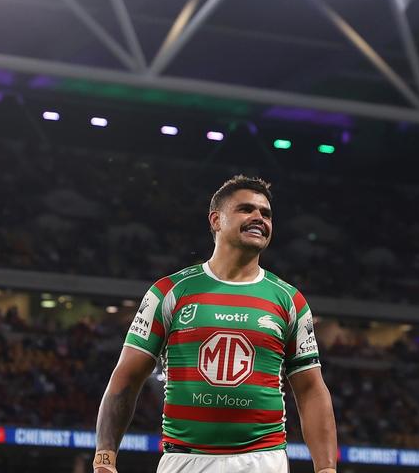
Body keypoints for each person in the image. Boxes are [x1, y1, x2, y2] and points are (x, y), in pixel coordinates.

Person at [92, 175, 337, 473]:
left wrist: (326, 469)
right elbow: (127, 378)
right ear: (216, 220)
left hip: (261, 461)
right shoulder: (169, 291)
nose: (259, 217)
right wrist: (104, 458)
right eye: (246, 209)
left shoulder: (289, 300)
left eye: (266, 213)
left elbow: (311, 389)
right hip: (184, 460)